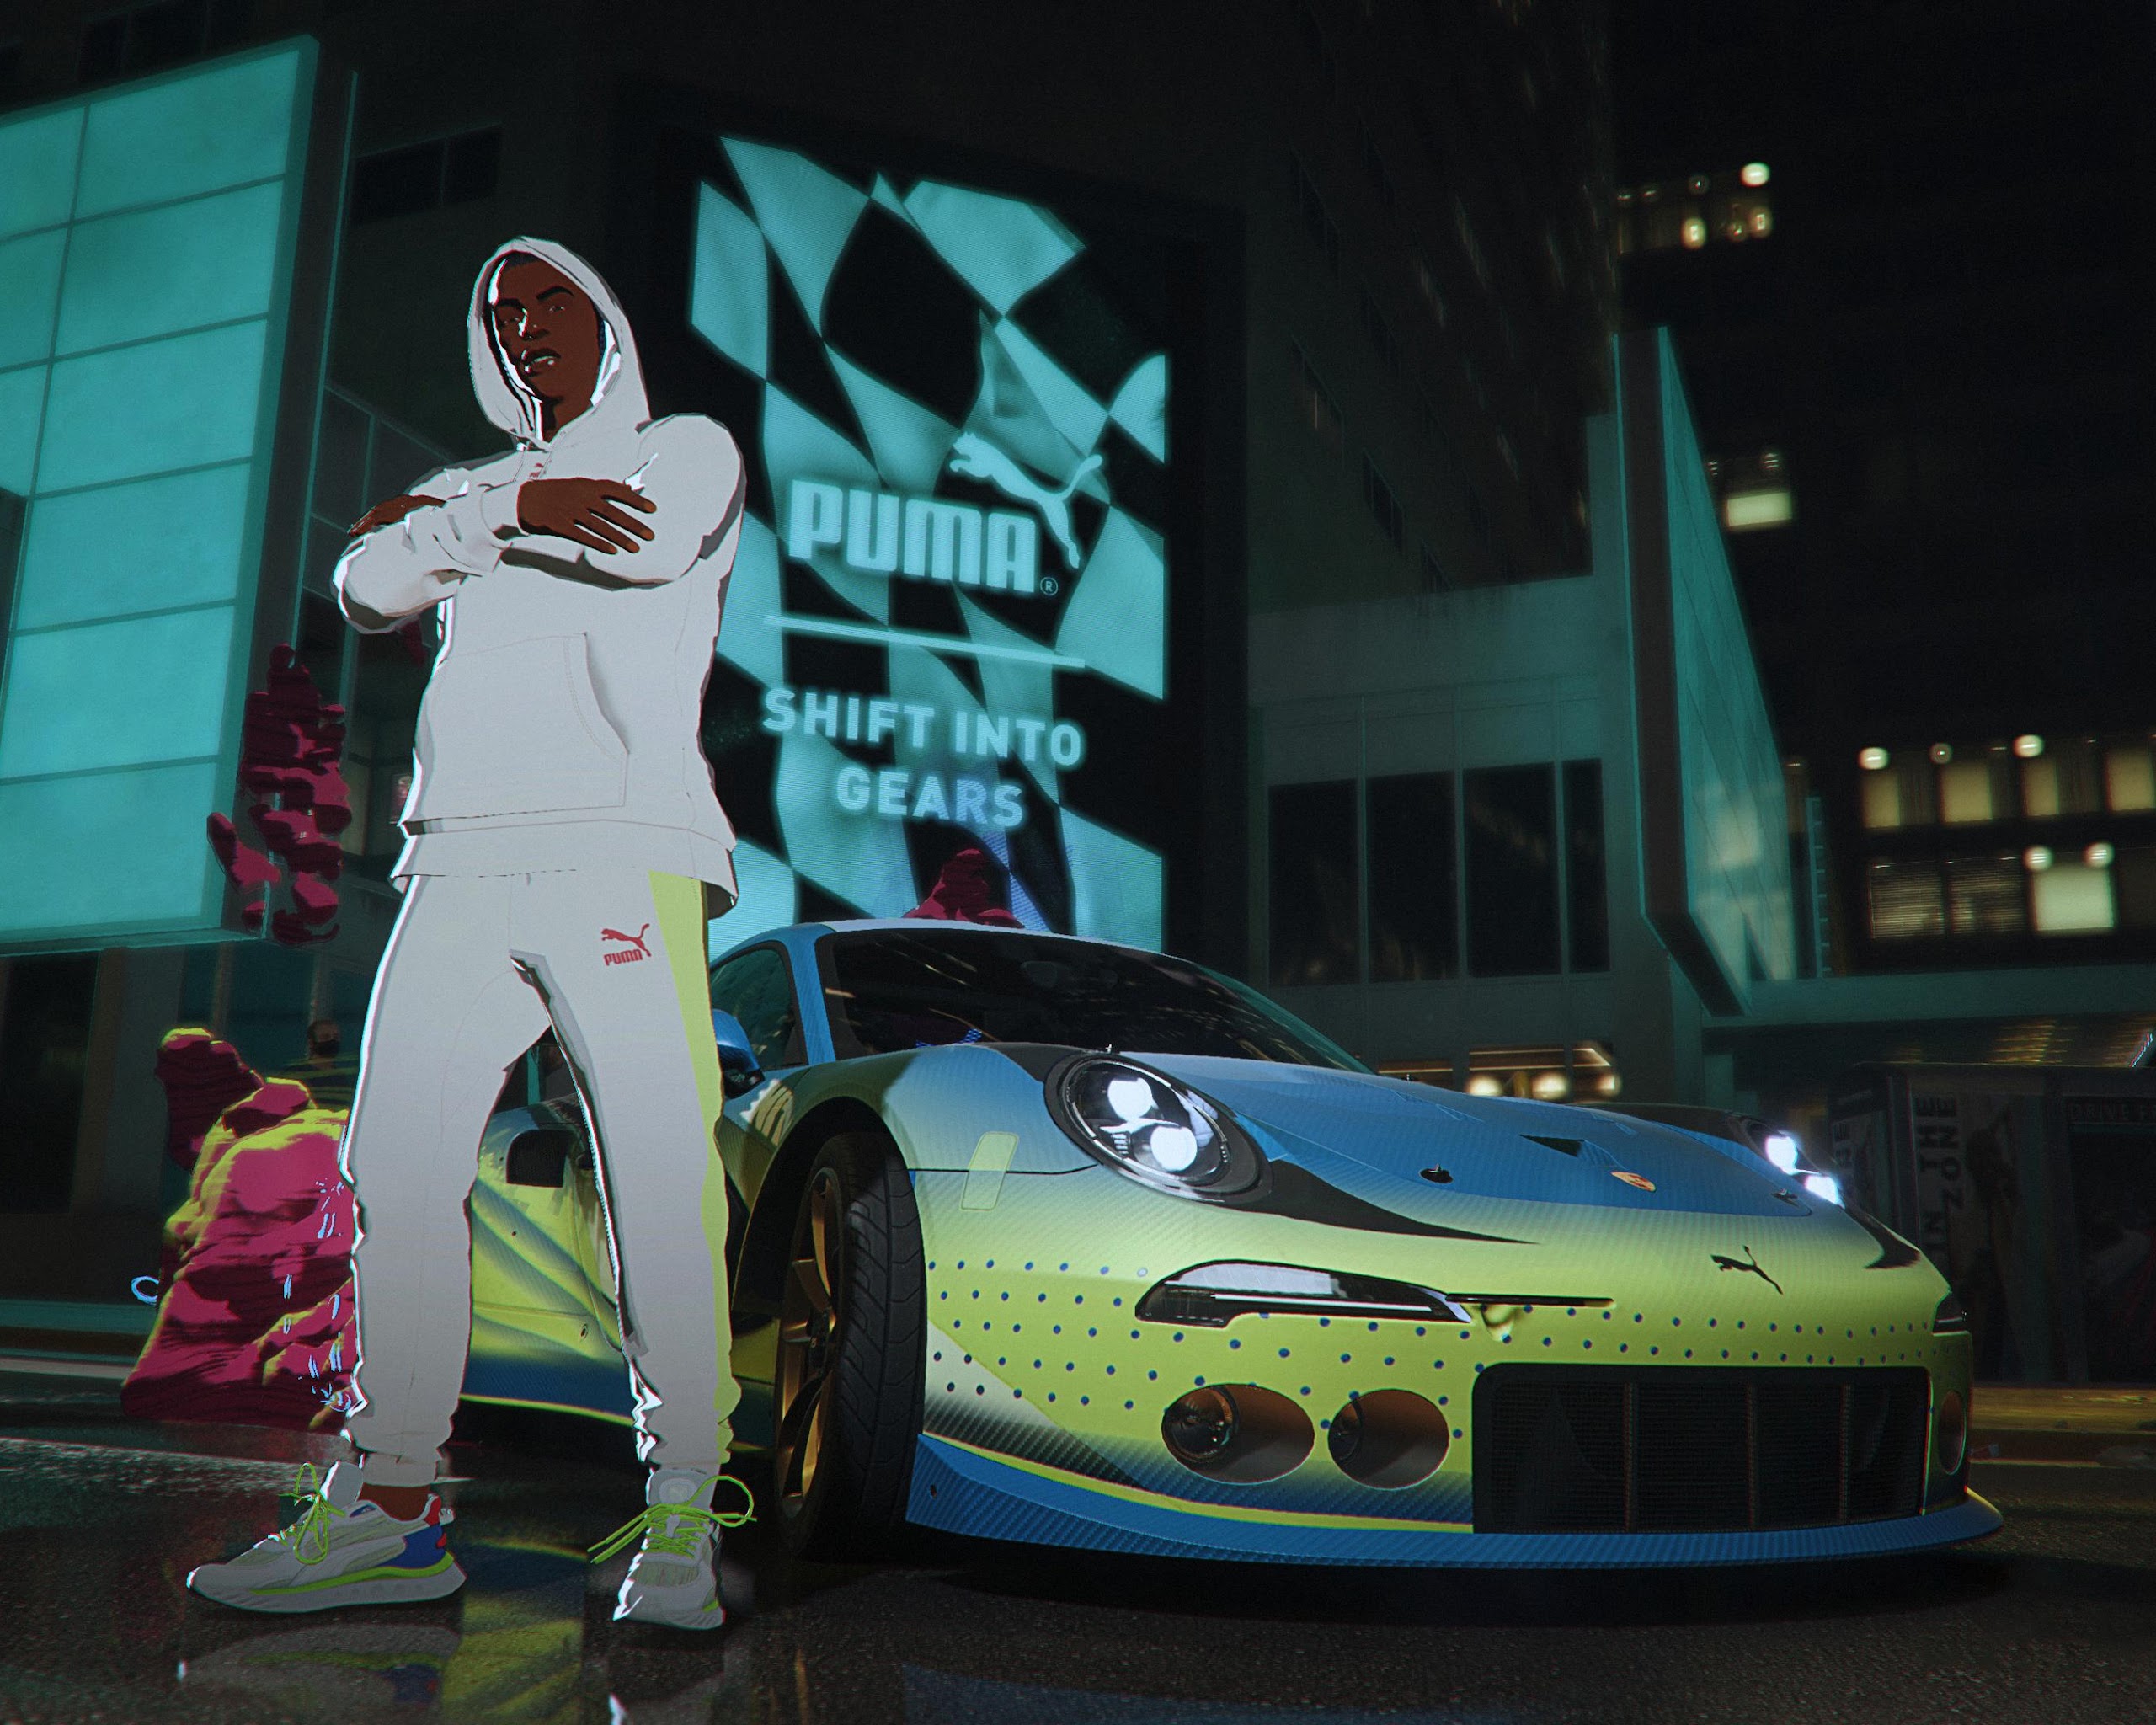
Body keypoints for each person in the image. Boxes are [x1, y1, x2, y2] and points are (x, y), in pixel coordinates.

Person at [187, 238, 750, 1629]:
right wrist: (505, 506)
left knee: (656, 1171)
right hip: (457, 856)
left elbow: (646, 540)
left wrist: (464, 522)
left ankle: (685, 1504)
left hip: (622, 849)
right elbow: (364, 586)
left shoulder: (686, 447)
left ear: (604, 320)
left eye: (553, 301)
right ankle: (387, 1508)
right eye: (504, 312)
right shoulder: (473, 482)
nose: (528, 325)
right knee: (391, 1166)